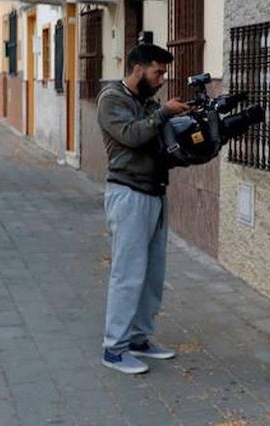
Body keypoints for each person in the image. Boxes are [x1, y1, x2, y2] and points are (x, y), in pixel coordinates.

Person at [96, 43, 190, 374]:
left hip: (154, 192)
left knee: (152, 274)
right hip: (128, 194)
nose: (162, 79)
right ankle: (114, 348)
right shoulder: (112, 100)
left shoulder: (146, 102)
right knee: (128, 274)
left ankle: (138, 338)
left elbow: (160, 140)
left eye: (164, 72)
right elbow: (132, 135)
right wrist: (163, 114)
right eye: (158, 72)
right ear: (138, 69)